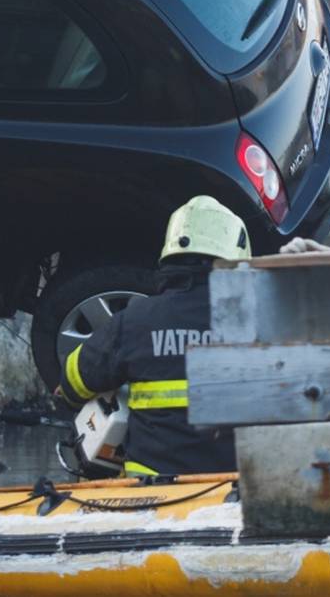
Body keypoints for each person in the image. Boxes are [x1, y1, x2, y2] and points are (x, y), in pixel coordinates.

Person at [56, 195, 248, 477]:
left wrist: (68, 398)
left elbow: (74, 381)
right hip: (235, 482)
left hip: (151, 485)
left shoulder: (134, 320)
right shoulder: (259, 323)